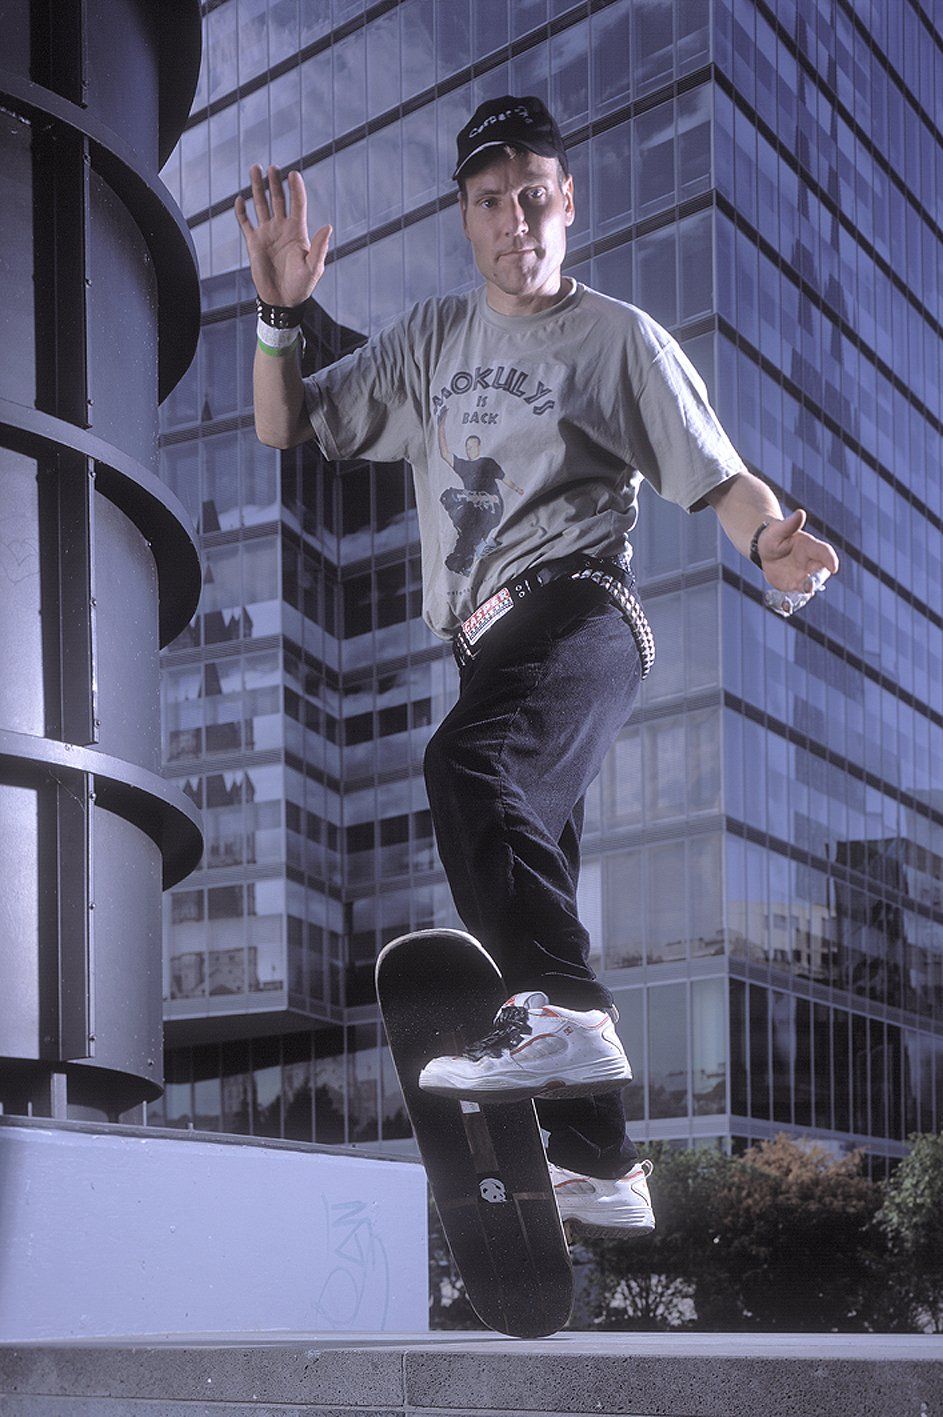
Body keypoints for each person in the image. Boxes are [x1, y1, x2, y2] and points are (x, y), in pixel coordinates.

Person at [235, 95, 840, 1238]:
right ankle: (604, 1159)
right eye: (488, 204)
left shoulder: (618, 338)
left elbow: (720, 477)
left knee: (468, 774)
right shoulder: (427, 343)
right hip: (483, 646)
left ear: (567, 202)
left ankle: (557, 1014)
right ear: (463, 220)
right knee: (529, 884)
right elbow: (285, 425)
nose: (514, 222)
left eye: (532, 198)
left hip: (582, 614)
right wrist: (277, 310)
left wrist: (770, 538)